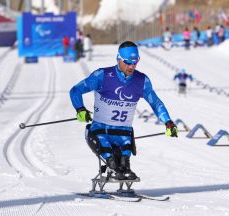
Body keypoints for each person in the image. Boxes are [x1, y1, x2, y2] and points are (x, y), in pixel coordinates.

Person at [69, 41, 178, 180]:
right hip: (100, 131)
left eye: (135, 61)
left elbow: (155, 103)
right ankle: (112, 168)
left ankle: (123, 169)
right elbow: (75, 90)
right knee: (112, 161)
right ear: (119, 58)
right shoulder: (102, 75)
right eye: (127, 62)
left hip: (123, 134)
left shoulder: (142, 81)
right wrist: (80, 109)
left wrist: (168, 122)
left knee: (125, 164)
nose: (132, 66)